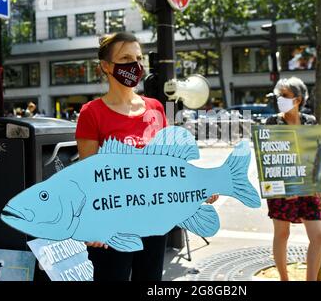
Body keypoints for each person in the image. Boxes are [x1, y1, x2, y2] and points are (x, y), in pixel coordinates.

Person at [75, 32, 218, 281]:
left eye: (139, 58)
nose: (135, 65)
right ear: (106, 67)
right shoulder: (92, 113)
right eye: (126, 58)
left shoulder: (155, 108)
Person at [265, 77, 321, 281]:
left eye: (285, 96)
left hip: (308, 186)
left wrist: (318, 182)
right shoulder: (273, 122)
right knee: (282, 234)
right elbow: (269, 158)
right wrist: (287, 188)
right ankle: (284, 279)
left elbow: (316, 154)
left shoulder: (310, 122)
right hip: (282, 187)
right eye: (279, 95)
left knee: (319, 235)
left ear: (298, 100)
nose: (280, 99)